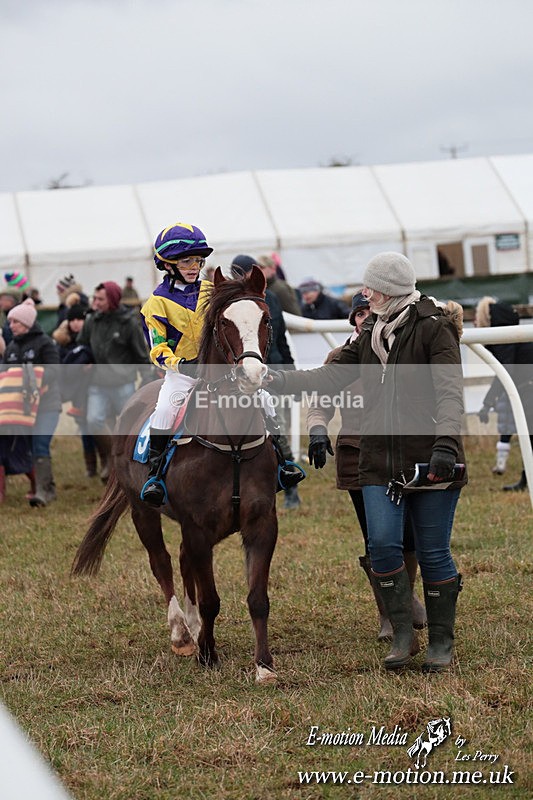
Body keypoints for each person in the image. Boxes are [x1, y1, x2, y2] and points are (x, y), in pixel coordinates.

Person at [267, 252, 467, 672]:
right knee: (381, 545)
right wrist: (276, 379)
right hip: (378, 462)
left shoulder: (435, 328)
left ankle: (442, 644)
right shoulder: (370, 330)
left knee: (432, 552)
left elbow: (450, 393)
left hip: (429, 457)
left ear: (387, 290)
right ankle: (401, 635)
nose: (364, 294)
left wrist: (446, 446)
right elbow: (328, 376)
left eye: (369, 287)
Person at [306, 291, 426, 640]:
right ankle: (388, 614)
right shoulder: (340, 357)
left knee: (409, 534)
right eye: (359, 313)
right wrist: (317, 431)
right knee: (376, 538)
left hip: (404, 451)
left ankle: (405, 595)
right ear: (353, 319)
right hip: (357, 455)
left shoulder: (399, 349)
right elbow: (321, 402)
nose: (365, 317)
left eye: (370, 310)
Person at [139, 223, 214, 506]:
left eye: (198, 260)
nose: (195, 266)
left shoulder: (212, 291)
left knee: (263, 398)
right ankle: (155, 475)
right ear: (168, 264)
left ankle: (282, 461)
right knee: (165, 409)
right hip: (182, 373)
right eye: (187, 261)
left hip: (218, 369)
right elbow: (157, 349)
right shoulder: (156, 303)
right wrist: (182, 365)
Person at [231, 254, 303, 510]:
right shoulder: (230, 303)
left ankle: (290, 480)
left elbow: (281, 340)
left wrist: (292, 376)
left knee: (276, 428)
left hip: (270, 375)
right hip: (238, 378)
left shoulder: (269, 299)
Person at [77, 280, 152, 482]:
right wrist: (84, 361)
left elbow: (141, 355)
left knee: (131, 426)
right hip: (97, 384)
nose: (95, 302)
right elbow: (82, 346)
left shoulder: (128, 322)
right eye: (94, 298)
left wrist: (146, 380)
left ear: (112, 299)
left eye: (100, 299)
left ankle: (134, 466)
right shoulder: (92, 320)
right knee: (94, 421)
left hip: (123, 384)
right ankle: (115, 461)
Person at [3, 298, 62, 506]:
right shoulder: (10, 347)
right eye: (10, 322)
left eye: (15, 322)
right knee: (29, 447)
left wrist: (33, 380)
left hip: (47, 405)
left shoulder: (45, 343)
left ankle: (43, 492)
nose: (11, 326)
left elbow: (54, 371)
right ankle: (46, 486)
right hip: (23, 408)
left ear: (27, 323)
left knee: (40, 444)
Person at [476, 296, 533, 491]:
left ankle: (527, 480)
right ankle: (527, 480)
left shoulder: (505, 340)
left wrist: (487, 403)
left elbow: (505, 371)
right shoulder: (512, 338)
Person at [52, 302, 99, 478]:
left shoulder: (92, 338)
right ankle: (91, 466)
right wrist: (79, 369)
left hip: (94, 388)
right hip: (76, 392)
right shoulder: (62, 343)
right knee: (85, 428)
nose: (77, 323)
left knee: (98, 426)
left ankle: (106, 461)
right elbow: (60, 369)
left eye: (80, 319)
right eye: (73, 319)